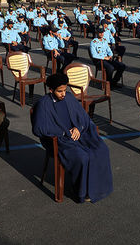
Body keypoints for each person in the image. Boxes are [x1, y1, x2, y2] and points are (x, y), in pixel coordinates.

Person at [31, 73, 113, 203]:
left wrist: (78, 128)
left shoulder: (69, 97)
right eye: (59, 91)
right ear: (51, 90)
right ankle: (82, 192)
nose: (63, 94)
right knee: (83, 157)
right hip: (60, 140)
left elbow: (83, 117)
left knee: (101, 149)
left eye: (65, 90)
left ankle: (99, 188)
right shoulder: (43, 104)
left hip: (78, 134)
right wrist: (65, 132)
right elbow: (38, 129)